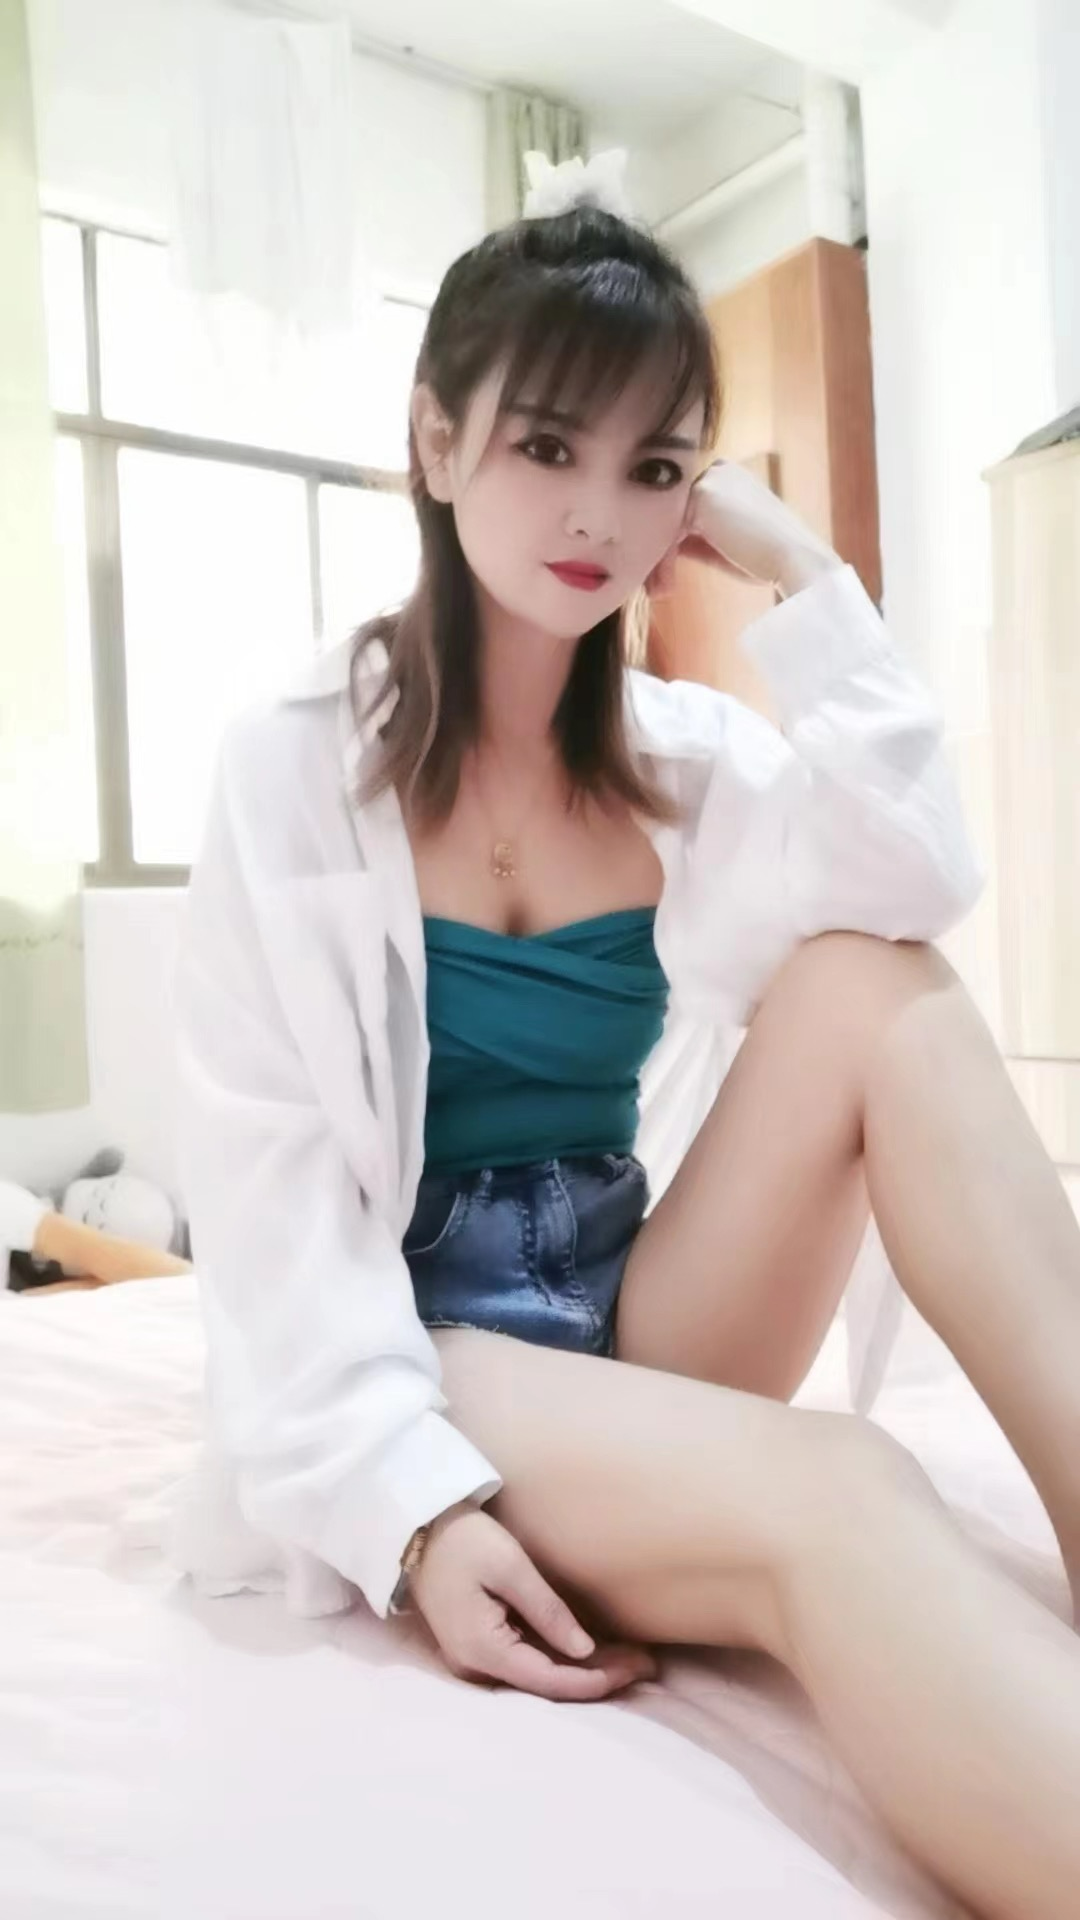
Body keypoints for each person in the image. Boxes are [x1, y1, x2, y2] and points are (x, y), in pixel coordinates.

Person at [171, 151, 1080, 1918]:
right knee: (844, 1489)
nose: (597, 510)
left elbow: (915, 883)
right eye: (546, 445)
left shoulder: (688, 760)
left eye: (653, 468)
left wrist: (804, 574)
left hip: (641, 1313)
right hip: (429, 1349)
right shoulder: (292, 764)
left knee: (872, 980)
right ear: (437, 441)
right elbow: (268, 1197)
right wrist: (413, 1515)